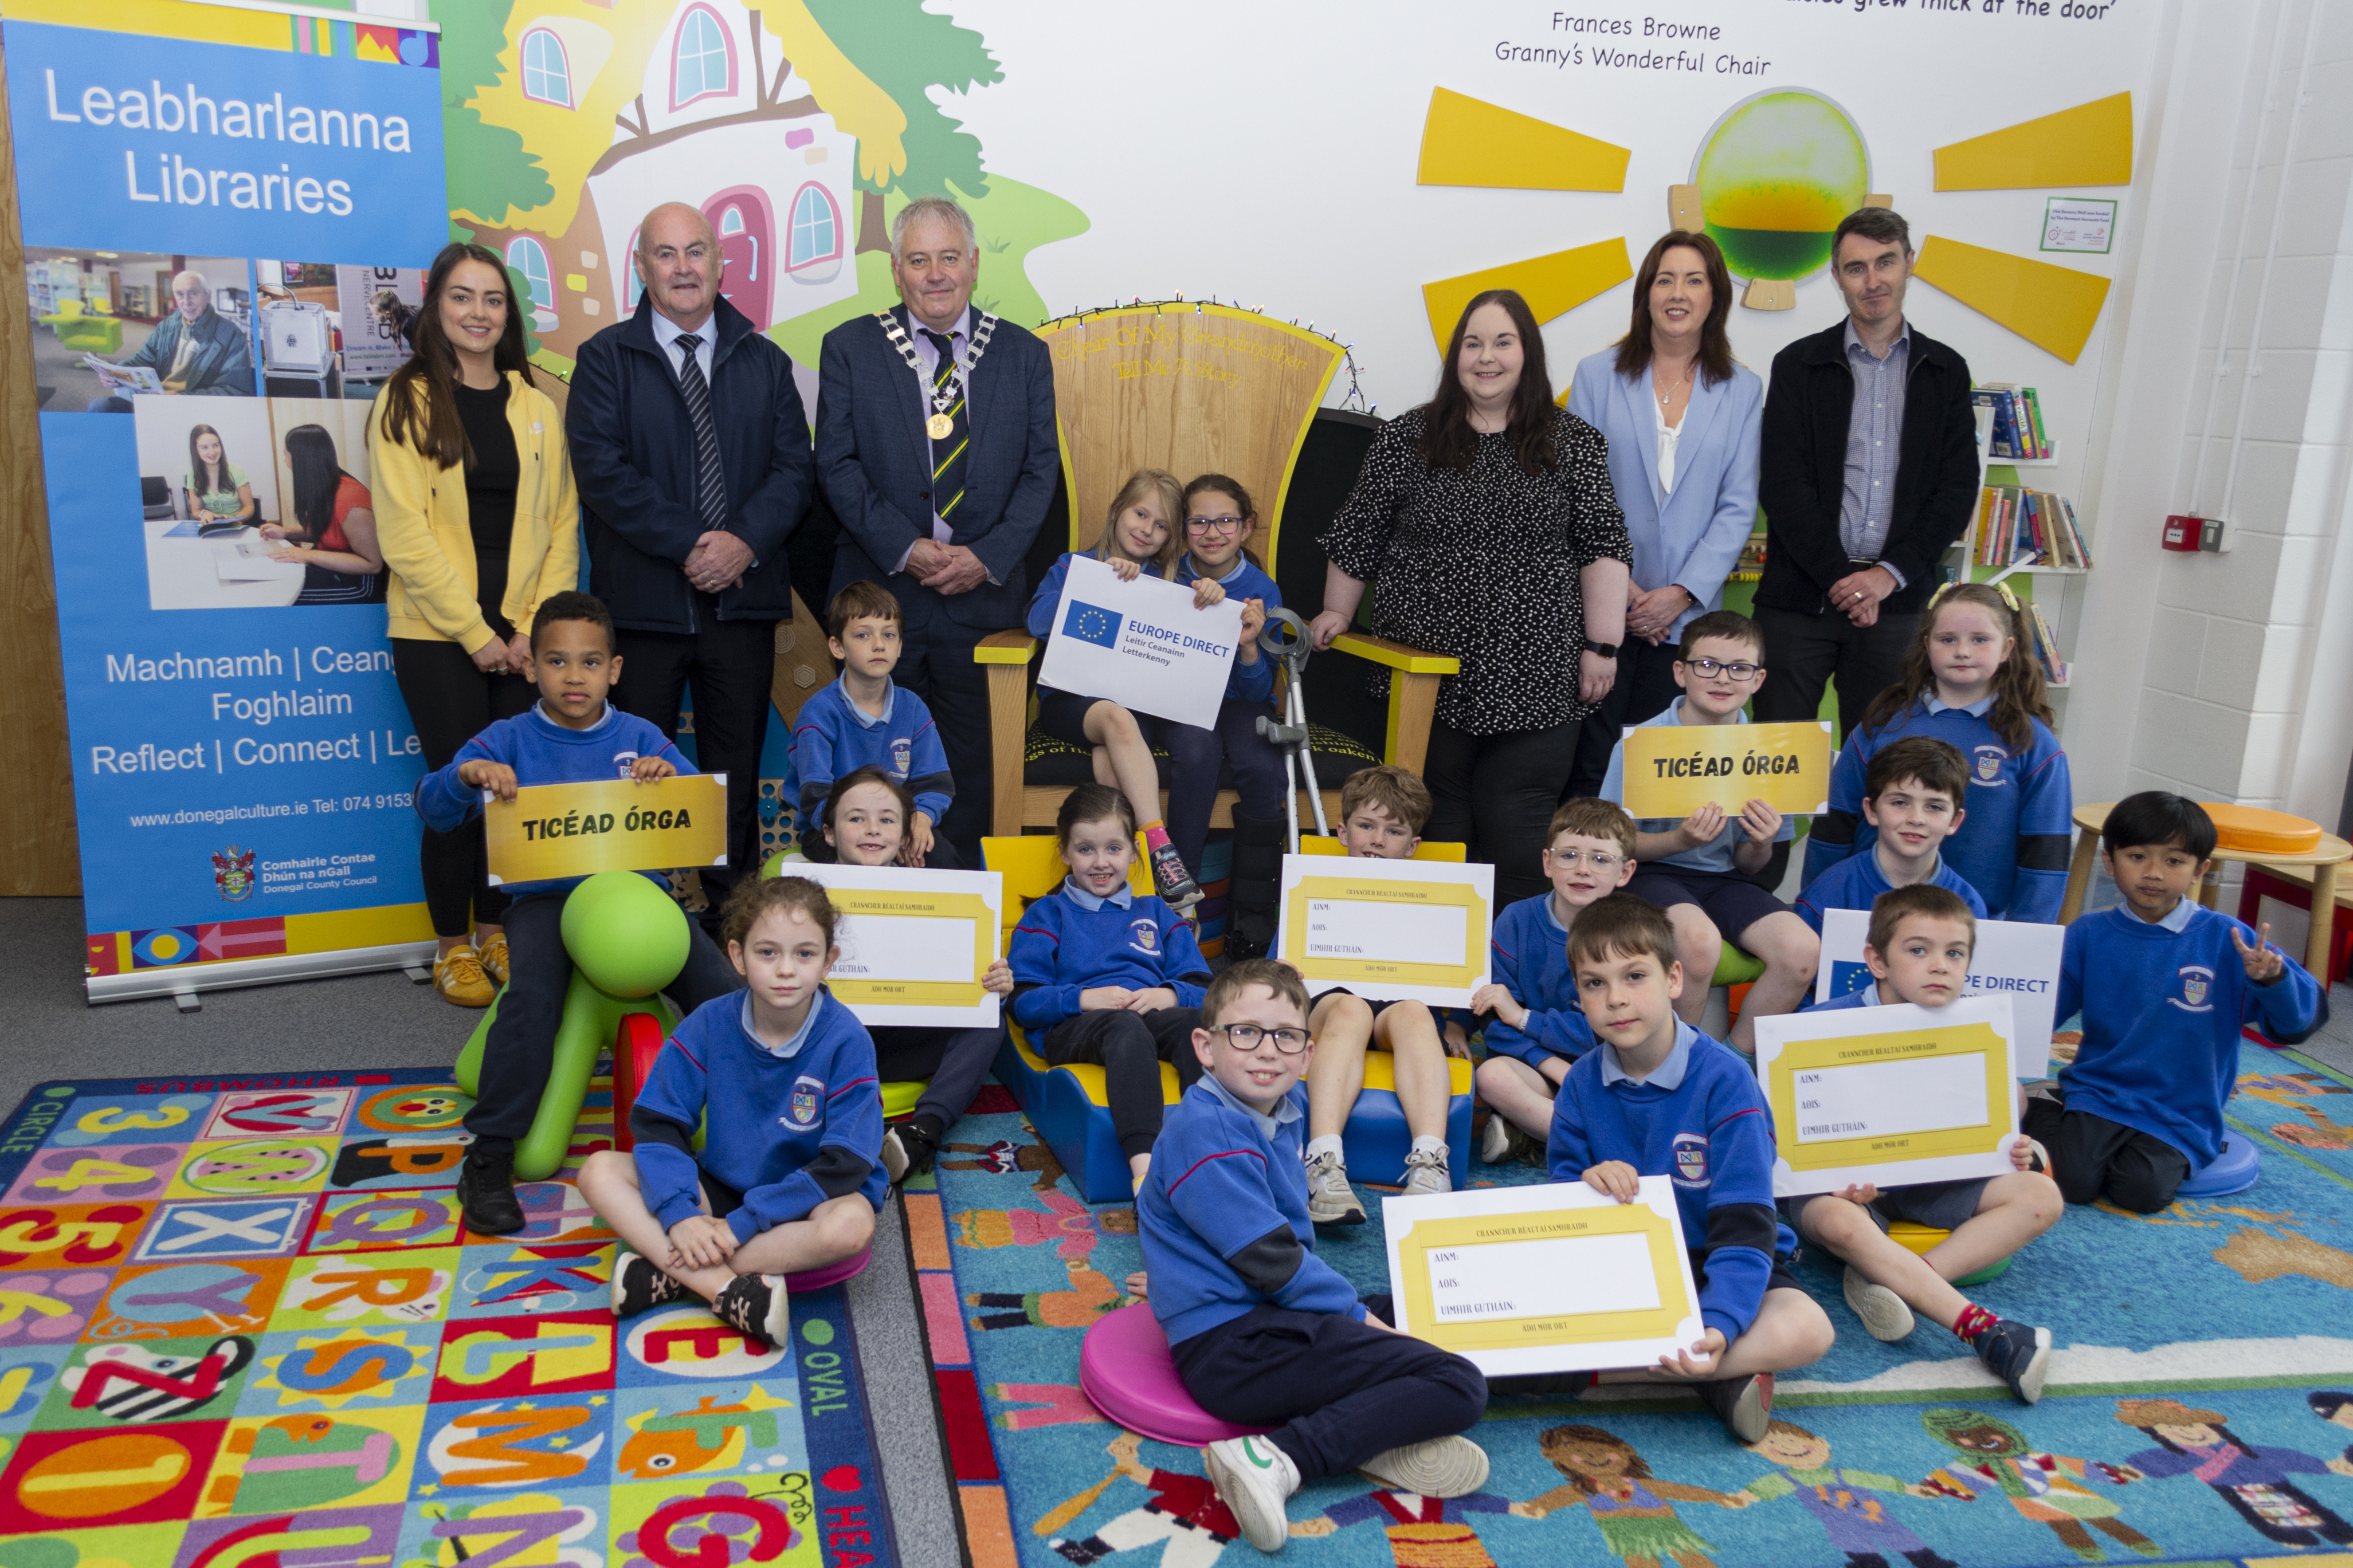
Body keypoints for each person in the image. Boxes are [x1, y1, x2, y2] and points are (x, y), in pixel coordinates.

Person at [415, 593, 744, 1234]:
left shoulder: (642, 737)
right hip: (546, 901)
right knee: (530, 998)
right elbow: (432, 807)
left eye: (590, 662)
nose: (574, 676)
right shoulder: (508, 738)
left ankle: (758, 1130)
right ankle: (489, 1154)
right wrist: (468, 776)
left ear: (614, 670)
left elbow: (700, 821)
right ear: (531, 668)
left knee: (724, 994)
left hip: (635, 904)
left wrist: (668, 777)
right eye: (557, 661)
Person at [1139, 959, 1491, 1553]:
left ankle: (1379, 1427)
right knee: (1456, 1379)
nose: (1266, 1051)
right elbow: (1270, 1259)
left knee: (1432, 1312)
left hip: (1269, 1318)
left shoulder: (1278, 1110)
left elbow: (1214, 1235)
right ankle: (1277, 1455)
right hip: (1235, 1352)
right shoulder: (1206, 1128)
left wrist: (1175, 1273)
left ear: (1306, 1056)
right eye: (1244, 1032)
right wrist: (1358, 1321)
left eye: (1286, 1037)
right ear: (1204, 1046)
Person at [1315, 288, 1632, 906]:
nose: (1485, 358)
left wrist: (1602, 644)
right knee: (1439, 828)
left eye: (1502, 342)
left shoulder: (1573, 442)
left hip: (1537, 674)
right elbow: (1358, 533)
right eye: (1472, 343)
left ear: (1527, 354)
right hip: (1425, 678)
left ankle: (1507, 971)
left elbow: (1602, 547)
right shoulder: (1408, 437)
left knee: (1517, 832)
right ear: (1455, 355)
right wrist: (1336, 611)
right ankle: (1439, 982)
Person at [567, 202, 815, 918]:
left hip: (741, 604)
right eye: (665, 254)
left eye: (695, 252)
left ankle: (729, 921)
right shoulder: (605, 359)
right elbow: (604, 473)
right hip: (643, 605)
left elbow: (793, 472)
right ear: (641, 268)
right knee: (638, 774)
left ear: (719, 264)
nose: (682, 268)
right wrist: (691, 544)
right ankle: (633, 912)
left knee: (730, 774)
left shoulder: (765, 361)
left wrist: (741, 544)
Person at [818, 195, 1059, 864]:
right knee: (871, 769)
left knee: (972, 767)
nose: (935, 275)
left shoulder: (1022, 354)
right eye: (918, 261)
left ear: (974, 264)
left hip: (982, 605)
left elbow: (1041, 473)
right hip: (881, 599)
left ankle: (961, 904)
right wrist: (905, 546)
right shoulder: (850, 348)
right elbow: (834, 465)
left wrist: (986, 557)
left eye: (948, 258)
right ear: (896, 270)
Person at [372, 241, 579, 1008]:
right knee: (456, 789)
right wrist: (478, 634)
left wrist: (532, 631)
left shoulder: (534, 405)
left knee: (514, 791)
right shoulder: (406, 400)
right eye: (463, 297)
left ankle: (496, 929)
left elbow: (563, 523)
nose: (479, 313)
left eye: (493, 299)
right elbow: (404, 538)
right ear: (436, 307)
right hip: (437, 635)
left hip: (522, 637)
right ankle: (452, 944)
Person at [1546, 894, 1834, 1440]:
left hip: (1720, 1249)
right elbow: (1562, 1203)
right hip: (1632, 1262)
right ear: (1579, 996)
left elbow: (1747, 1223)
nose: (1616, 999)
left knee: (1808, 1327)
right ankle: (1715, 1378)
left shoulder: (1728, 1082)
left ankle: (1618, 1370)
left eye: (1635, 976)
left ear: (1675, 978)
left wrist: (1720, 1322)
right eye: (1594, 984)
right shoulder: (1580, 1084)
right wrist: (1587, 1182)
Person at [578, 876, 883, 1348]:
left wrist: (739, 1223)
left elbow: (846, 1163)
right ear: (738, 957)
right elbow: (660, 1124)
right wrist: (681, 1214)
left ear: (829, 961)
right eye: (768, 953)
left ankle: (671, 1272)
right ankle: (724, 1289)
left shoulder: (847, 1039)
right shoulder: (708, 1022)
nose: (786, 969)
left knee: (852, 1226)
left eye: (804, 954)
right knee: (597, 1170)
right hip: (722, 1188)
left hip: (806, 1198)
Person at [1789, 885, 2060, 1401]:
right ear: (1877, 961)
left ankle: (1901, 1284)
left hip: (1933, 1177)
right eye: (1919, 950)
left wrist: (2014, 1146)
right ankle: (1980, 1325)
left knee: (2041, 1195)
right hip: (1846, 1190)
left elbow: (2004, 1113)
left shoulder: (1977, 1027)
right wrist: (1832, 1180)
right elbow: (1790, 1132)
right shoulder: (1819, 1025)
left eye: (1954, 953)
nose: (1939, 966)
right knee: (1836, 1220)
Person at [1753, 207, 1981, 751]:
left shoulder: (1946, 370)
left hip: (1897, 607)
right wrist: (1843, 579)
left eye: (1886, 263)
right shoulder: (1798, 363)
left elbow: (1956, 490)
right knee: (1772, 766)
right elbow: (1783, 486)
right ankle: (1772, 845)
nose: (1872, 281)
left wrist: (1885, 577)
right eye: (1856, 268)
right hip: (1799, 604)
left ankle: (1847, 844)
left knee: (1880, 768)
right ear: (1836, 278)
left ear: (1910, 265)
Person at [2032, 792, 2321, 1213]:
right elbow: (2044, 1009)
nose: (2153, 873)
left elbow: (2297, 1021)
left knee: (2143, 1193)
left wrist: (2272, 979)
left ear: (2200, 868)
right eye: (2137, 856)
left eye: (2174, 860)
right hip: (2101, 1090)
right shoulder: (2089, 933)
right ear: (2110, 863)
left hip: (2183, 1106)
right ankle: (2044, 1100)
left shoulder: (2230, 938)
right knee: (2071, 1182)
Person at [1565, 231, 1764, 794]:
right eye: (1665, 279)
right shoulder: (1594, 376)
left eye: (1694, 280)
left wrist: (1678, 593)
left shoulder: (1742, 389)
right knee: (1588, 765)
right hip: (1603, 607)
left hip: (1685, 622)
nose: (1677, 293)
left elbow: (1736, 505)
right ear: (1646, 293)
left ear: (1714, 297)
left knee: (1660, 777)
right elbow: (1580, 494)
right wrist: (1625, 589)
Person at [1601, 611, 1819, 1054]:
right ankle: (1672, 1059)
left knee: (1802, 950)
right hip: (1650, 873)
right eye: (1707, 665)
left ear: (1758, 680)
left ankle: (1732, 1061)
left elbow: (1751, 864)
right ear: (1681, 672)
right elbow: (1612, 848)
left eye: (1739, 668)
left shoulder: (1769, 753)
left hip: (1727, 881)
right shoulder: (1640, 744)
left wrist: (1759, 841)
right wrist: (1679, 841)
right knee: (1698, 944)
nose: (1723, 678)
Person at [1803, 583, 2073, 922]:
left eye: (1979, 639)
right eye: (1948, 639)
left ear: (2007, 649)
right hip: (1869, 915)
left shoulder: (2031, 742)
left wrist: (2028, 935)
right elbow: (1836, 824)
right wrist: (1820, 909)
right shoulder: (1883, 724)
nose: (1963, 651)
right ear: (1926, 645)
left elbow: (2045, 852)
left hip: (1978, 923)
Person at [1009, 784, 1213, 1187]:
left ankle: (1211, 1148)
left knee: (1198, 1024)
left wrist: (1168, 994)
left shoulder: (1155, 910)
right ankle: (1146, 1175)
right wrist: (1084, 999)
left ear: (1134, 852)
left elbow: (1206, 987)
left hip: (1147, 1012)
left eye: (1114, 849)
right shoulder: (1047, 913)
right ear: (1065, 853)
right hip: (1074, 1026)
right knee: (1124, 1026)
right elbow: (1023, 1002)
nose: (1101, 862)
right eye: (1086, 850)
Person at [813, 765, 1012, 1178]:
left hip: (901, 1042)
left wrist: (994, 982)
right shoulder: (803, 892)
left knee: (990, 1017)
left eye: (886, 820)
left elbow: (968, 980)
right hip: (830, 1044)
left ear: (905, 837)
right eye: (856, 818)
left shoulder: (932, 892)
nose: (872, 830)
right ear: (829, 832)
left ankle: (922, 1133)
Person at [1023, 470, 1206, 907]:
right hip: (1071, 702)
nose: (1147, 529)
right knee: (1116, 718)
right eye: (1140, 514)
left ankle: (1128, 886)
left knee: (1117, 740)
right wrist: (1098, 585)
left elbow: (1194, 652)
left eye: (1161, 525)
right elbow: (1035, 621)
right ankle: (1160, 847)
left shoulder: (1173, 584)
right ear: (1117, 511)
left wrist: (1208, 596)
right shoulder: (1074, 565)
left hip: (1136, 710)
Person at [1299, 766, 1461, 1222]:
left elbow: (1462, 974)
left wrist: (1461, 1024)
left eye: (1393, 832)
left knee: (1414, 1011)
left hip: (1397, 1009)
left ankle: (1431, 1164)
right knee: (1351, 1008)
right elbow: (1279, 970)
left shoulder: (1435, 896)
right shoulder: (1311, 887)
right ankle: (1323, 1162)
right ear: (1342, 832)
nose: (1376, 839)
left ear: (1412, 847)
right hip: (1331, 1006)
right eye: (1366, 826)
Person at [1471, 797, 1638, 1164]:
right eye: (1569, 856)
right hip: (1536, 1068)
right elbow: (1494, 1019)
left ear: (1624, 872)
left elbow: (1606, 1030)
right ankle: (1598, 1146)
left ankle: (1534, 1134)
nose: (1582, 869)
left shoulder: (1628, 938)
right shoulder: (1515, 920)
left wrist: (1525, 1018)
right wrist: (1555, 1067)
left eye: (1600, 859)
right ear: (1548, 862)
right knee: (1491, 1077)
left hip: (1605, 1069)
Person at [1175, 474, 1290, 956]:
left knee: (1264, 762)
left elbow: (1258, 687)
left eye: (1225, 520)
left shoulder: (1262, 587)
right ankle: (1177, 895)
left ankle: (1254, 913)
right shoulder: (1167, 575)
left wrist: (1247, 647)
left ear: (1246, 527)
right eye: (1199, 521)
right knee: (1195, 752)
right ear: (1184, 528)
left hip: (1242, 702)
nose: (1213, 531)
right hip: (1181, 699)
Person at [782, 581, 955, 866]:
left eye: (888, 635)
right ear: (838, 647)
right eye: (863, 635)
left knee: (943, 858)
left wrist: (918, 820)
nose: (878, 645)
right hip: (831, 831)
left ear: (900, 646)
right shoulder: (820, 713)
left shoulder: (913, 708)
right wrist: (872, 839)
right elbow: (815, 797)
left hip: (897, 827)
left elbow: (935, 784)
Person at [1794, 737, 1986, 933]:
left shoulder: (1969, 904)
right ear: (1872, 811)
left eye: (1935, 807)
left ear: (1954, 821)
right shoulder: (1829, 893)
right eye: (1900, 803)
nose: (1916, 819)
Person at [263, 423, 386, 605]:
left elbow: (373, 564)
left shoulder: (350, 498)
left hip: (359, 585)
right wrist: (286, 532)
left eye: (285, 454)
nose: (284, 460)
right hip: (330, 568)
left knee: (279, 596)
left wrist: (306, 555)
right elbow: (326, 534)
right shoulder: (324, 487)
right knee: (275, 579)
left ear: (300, 458)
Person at [93, 270, 253, 404]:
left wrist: (184, 398)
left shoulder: (231, 334)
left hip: (190, 406)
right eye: (180, 295)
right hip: (157, 399)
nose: (186, 302)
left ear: (208, 295)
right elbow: (143, 358)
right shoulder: (167, 326)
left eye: (193, 294)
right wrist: (117, 373)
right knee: (100, 405)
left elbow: (235, 390)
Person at [182, 424, 256, 528]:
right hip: (211, 527)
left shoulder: (236, 471)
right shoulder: (192, 475)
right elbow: (196, 510)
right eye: (204, 448)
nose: (212, 452)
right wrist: (203, 514)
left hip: (237, 525)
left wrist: (232, 521)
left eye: (216, 445)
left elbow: (249, 507)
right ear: (196, 450)